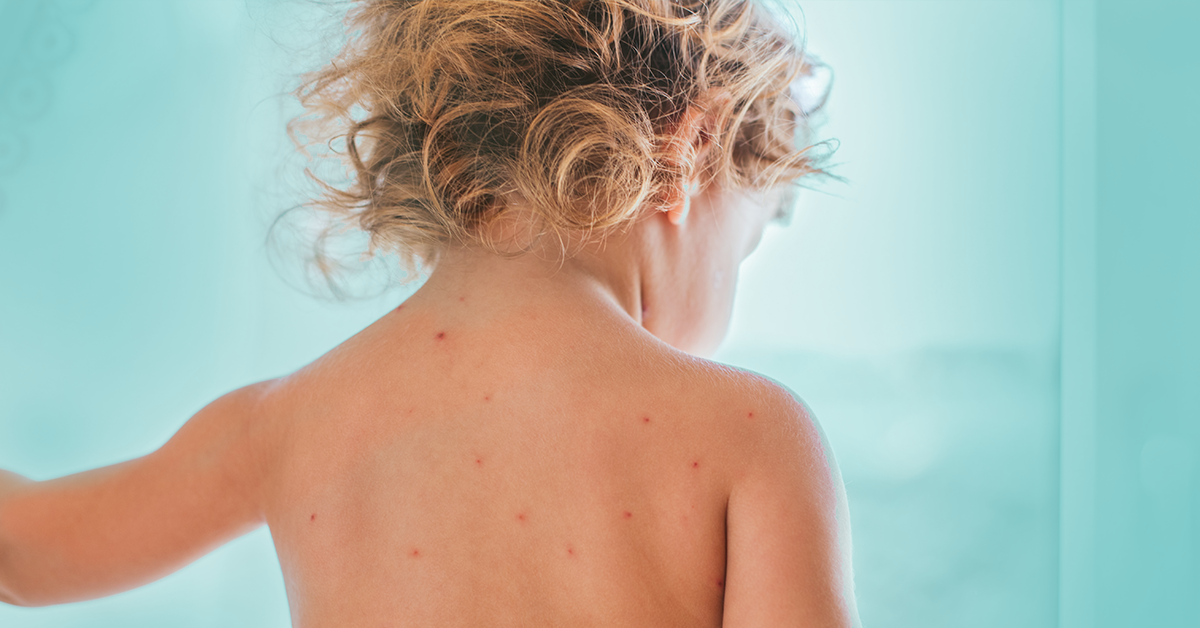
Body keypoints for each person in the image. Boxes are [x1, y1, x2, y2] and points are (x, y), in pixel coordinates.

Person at [0, 0, 860, 625]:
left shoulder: (288, 422)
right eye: (741, 251)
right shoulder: (752, 433)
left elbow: (24, 555)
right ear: (686, 152)